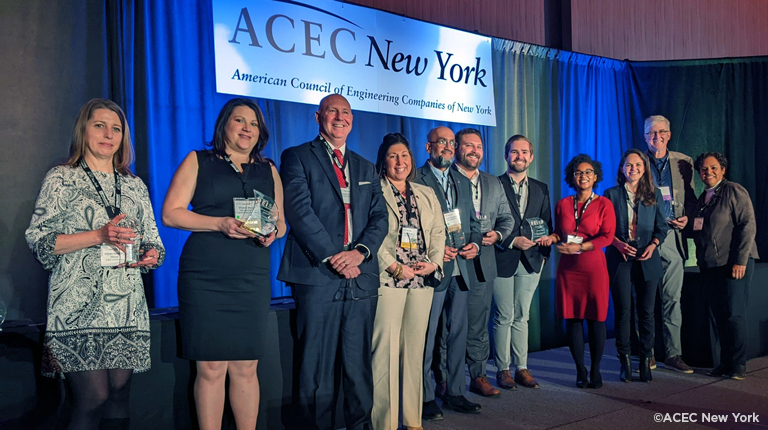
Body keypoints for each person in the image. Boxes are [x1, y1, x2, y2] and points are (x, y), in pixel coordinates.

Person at [25, 98, 165, 430]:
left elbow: (154, 241)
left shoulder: (134, 185)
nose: (108, 134)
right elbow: (39, 239)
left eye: (116, 128)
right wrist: (98, 235)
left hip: (126, 305)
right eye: (99, 125)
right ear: (83, 130)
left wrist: (151, 255)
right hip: (76, 306)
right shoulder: (62, 178)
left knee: (119, 394)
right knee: (93, 398)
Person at [162, 98, 286, 430]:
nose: (247, 128)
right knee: (211, 367)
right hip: (206, 276)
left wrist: (273, 232)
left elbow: (282, 222)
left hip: (252, 275)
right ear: (224, 125)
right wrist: (219, 223)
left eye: (254, 123)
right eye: (239, 121)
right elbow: (171, 213)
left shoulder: (268, 169)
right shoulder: (199, 160)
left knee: (246, 366)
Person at [277, 94, 387, 430]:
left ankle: (360, 426)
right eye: (332, 111)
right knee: (315, 367)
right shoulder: (296, 157)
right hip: (317, 274)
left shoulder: (366, 166)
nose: (339, 117)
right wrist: (335, 257)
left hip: (361, 276)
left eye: (346, 112)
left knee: (358, 366)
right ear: (318, 117)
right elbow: (298, 210)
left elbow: (380, 217)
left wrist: (360, 252)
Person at [371, 133, 445, 430]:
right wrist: (392, 265)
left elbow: (439, 230)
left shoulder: (425, 191)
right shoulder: (375, 190)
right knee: (384, 353)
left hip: (421, 280)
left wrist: (435, 263)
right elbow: (370, 233)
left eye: (404, 155)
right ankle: (385, 424)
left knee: (415, 352)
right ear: (383, 160)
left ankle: (413, 420)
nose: (400, 161)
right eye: (393, 156)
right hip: (389, 278)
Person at [414, 126, 481, 420]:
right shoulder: (415, 177)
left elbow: (473, 223)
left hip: (461, 267)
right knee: (426, 336)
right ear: (428, 147)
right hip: (433, 268)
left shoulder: (462, 180)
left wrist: (475, 245)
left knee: (457, 334)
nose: (448, 148)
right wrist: (434, 250)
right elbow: (410, 228)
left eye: (452, 143)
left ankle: (454, 392)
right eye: (442, 142)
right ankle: (425, 396)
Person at [451, 128, 514, 398]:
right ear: (456, 148)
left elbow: (507, 218)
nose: (474, 151)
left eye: (478, 146)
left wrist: (498, 235)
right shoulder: (445, 177)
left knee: (478, 325)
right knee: (448, 326)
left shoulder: (492, 182)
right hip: (452, 261)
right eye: (468, 146)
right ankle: (444, 379)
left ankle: (478, 375)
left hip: (483, 262)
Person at [492, 135, 553, 390]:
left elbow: (547, 223)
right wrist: (510, 241)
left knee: (522, 316)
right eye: (514, 152)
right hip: (502, 257)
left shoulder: (541, 187)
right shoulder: (493, 185)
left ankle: (522, 368)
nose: (520, 156)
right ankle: (502, 370)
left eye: (524, 152)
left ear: (532, 156)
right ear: (506, 156)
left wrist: (547, 242)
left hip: (531, 261)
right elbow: (488, 223)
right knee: (503, 316)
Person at [691, 152, 759, 380]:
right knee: (719, 315)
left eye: (712, 168)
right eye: (703, 169)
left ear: (723, 170)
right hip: (711, 265)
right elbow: (700, 230)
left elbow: (747, 225)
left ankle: (738, 365)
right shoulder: (703, 198)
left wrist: (740, 260)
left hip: (734, 263)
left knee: (733, 314)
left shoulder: (733, 190)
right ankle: (725, 362)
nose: (707, 172)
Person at [604, 149, 669, 383]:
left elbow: (662, 227)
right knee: (623, 312)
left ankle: (645, 361)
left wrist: (653, 245)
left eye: (638, 165)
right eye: (629, 165)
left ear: (644, 168)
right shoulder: (610, 194)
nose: (633, 169)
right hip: (620, 258)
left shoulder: (654, 194)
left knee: (647, 313)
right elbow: (604, 230)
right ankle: (624, 361)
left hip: (647, 258)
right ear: (622, 169)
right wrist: (617, 244)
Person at [551, 154, 615, 389]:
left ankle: (596, 370)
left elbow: (607, 236)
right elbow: (559, 231)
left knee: (596, 319)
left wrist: (581, 246)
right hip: (568, 270)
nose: (583, 176)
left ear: (595, 176)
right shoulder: (563, 204)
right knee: (573, 319)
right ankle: (580, 370)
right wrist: (552, 237)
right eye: (579, 172)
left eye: (588, 172)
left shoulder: (604, 204)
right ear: (572, 177)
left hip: (594, 269)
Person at [644, 115, 695, 373]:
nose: (657, 137)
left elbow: (695, 199)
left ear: (669, 134)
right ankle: (647, 353)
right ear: (645, 137)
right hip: (647, 239)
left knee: (672, 299)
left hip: (674, 239)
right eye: (652, 133)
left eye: (662, 132)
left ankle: (673, 354)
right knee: (646, 299)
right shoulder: (636, 162)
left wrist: (689, 218)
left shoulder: (685, 162)